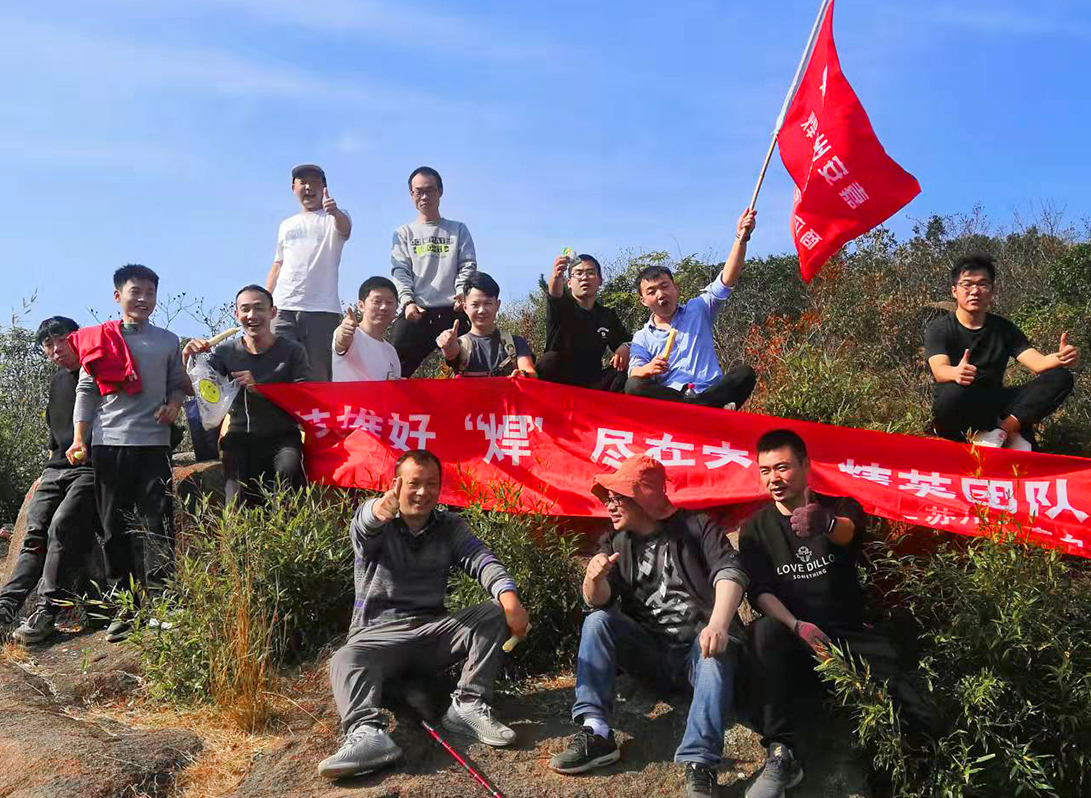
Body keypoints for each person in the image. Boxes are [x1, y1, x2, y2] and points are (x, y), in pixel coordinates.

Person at [739, 429, 933, 798]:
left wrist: (824, 524)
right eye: (765, 470)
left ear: (806, 466)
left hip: (849, 636)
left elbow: (848, 533)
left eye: (782, 467)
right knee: (764, 631)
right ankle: (781, 752)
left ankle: (904, 778)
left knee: (915, 708)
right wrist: (797, 625)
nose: (773, 478)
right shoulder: (754, 530)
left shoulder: (839, 508)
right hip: (796, 640)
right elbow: (761, 592)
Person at [318, 450, 530, 780]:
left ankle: (467, 705)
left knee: (493, 612)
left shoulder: (449, 526)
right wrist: (378, 509)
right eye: (414, 483)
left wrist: (510, 599)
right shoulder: (379, 522)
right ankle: (367, 734)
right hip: (378, 637)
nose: (422, 492)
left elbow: (481, 559)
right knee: (345, 658)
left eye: (431, 483)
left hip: (432, 633)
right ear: (396, 484)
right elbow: (364, 524)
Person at [550, 455, 749, 798]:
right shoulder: (616, 541)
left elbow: (731, 572)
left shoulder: (697, 527)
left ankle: (700, 763)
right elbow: (598, 601)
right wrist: (593, 578)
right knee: (597, 621)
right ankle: (597, 732)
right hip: (652, 656)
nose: (610, 505)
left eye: (618, 497)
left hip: (699, 653)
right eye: (608, 498)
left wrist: (718, 624)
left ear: (644, 497)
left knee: (713, 651)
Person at [68, 264, 187, 643]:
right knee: (113, 527)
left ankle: (164, 604)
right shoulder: (99, 338)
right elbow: (86, 391)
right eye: (136, 292)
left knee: (157, 523)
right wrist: (79, 438)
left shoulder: (168, 341)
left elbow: (178, 384)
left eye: (150, 293)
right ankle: (125, 608)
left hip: (154, 443)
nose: (143, 299)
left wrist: (173, 406)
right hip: (109, 443)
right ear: (117, 296)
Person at [0, 317, 99, 644]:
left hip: (90, 468)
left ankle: (46, 611)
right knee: (34, 535)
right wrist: (46, 473)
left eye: (63, 340)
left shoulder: (99, 371)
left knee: (62, 526)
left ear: (79, 338)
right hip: (56, 470)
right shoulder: (57, 382)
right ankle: (5, 608)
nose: (57, 349)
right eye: (48, 344)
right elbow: (54, 437)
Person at [924, 254, 1077, 450]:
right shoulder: (940, 328)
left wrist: (1061, 357)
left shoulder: (1003, 328)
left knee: (1061, 377)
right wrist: (955, 372)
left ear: (992, 291)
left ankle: (1005, 429)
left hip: (994, 403)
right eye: (967, 284)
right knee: (953, 393)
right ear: (954, 291)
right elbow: (939, 369)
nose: (975, 291)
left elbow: (1038, 363)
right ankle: (987, 434)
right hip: (961, 403)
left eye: (982, 284)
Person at [182, 285, 311, 506]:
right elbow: (195, 391)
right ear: (236, 314)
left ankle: (288, 528)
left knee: (288, 477)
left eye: (259, 308)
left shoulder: (292, 351)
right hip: (239, 437)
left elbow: (304, 396)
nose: (252, 315)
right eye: (245, 309)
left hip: (283, 437)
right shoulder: (225, 352)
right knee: (237, 499)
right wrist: (188, 359)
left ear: (272, 312)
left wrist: (260, 389)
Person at [626, 209, 758, 409]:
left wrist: (741, 237)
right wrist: (648, 369)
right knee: (633, 385)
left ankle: (700, 406)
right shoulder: (643, 337)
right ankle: (702, 408)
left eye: (664, 286)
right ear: (643, 301)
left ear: (676, 288)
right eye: (651, 291)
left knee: (744, 374)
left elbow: (726, 280)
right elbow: (634, 372)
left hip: (710, 391)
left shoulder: (698, 309)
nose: (660, 295)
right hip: (673, 399)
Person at [265, 163, 351, 382]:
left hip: (321, 308)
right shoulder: (286, 224)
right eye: (302, 182)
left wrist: (334, 211)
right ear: (293, 188)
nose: (308, 187)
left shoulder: (335, 217)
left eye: (314, 182)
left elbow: (345, 229)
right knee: (276, 370)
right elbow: (278, 264)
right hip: (283, 306)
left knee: (318, 375)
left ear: (324, 188)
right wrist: (265, 300)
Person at [390, 166, 476, 377]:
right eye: (418, 191)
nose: (424, 196)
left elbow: (468, 265)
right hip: (417, 312)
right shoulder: (404, 233)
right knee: (393, 370)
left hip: (454, 311)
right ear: (411, 194)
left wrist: (461, 292)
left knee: (472, 369)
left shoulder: (458, 229)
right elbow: (400, 270)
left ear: (440, 191)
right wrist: (407, 302)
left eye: (430, 190)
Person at [536, 252, 630, 392]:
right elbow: (554, 293)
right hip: (557, 381)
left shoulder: (606, 315)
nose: (584, 277)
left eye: (590, 273)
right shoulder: (561, 306)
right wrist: (556, 275)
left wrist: (626, 346)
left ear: (600, 281)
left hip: (593, 383)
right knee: (549, 360)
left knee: (625, 372)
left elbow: (628, 340)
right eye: (578, 273)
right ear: (569, 283)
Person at [436, 272, 537, 378]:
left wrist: (523, 374)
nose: (482, 310)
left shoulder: (516, 343)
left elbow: (530, 371)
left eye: (488, 303)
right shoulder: (460, 345)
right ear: (465, 307)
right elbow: (451, 353)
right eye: (475, 305)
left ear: (497, 305)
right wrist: (447, 344)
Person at [332, 276, 401, 382]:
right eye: (377, 301)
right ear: (361, 306)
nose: (384, 307)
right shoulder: (351, 334)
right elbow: (341, 343)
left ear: (397, 306)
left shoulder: (391, 352)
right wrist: (342, 337)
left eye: (389, 302)